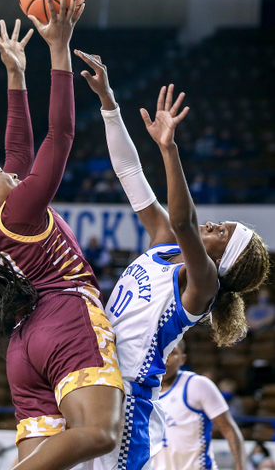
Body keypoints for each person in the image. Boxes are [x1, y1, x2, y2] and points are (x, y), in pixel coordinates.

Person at [0, 0, 124, 470]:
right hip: (65, 317)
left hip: (25, 343)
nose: (11, 172)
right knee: (100, 434)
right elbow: (58, 136)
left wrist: (16, 75)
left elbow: (18, 148)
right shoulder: (18, 210)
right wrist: (59, 49)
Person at [74, 50, 270, 470]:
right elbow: (130, 174)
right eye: (220, 223)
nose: (213, 225)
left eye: (222, 233)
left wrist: (169, 148)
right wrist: (109, 103)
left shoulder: (203, 286)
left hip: (128, 402)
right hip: (97, 376)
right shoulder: (164, 245)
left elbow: (183, 219)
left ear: (224, 260)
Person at [153, 341, 247, 470]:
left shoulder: (197, 384)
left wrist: (241, 467)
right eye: (162, 353)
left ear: (183, 359)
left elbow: (229, 430)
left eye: (173, 353)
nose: (165, 359)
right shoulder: (142, 391)